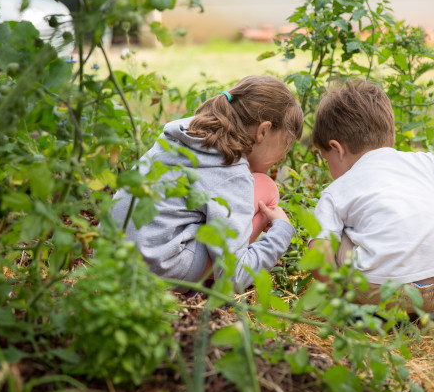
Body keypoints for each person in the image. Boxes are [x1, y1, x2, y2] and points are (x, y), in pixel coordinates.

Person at [111, 75, 303, 291]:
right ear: (264, 131)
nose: (284, 157)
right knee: (266, 187)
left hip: (110, 257)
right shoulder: (231, 172)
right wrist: (282, 232)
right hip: (155, 269)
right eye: (285, 145)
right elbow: (235, 276)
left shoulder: (184, 134)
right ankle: (201, 289)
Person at [309, 79, 434, 313]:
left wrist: (339, 296)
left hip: (383, 290)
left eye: (326, 159)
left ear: (337, 149)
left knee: (334, 235)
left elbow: (319, 259)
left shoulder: (336, 191)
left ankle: (364, 313)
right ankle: (417, 313)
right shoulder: (421, 162)